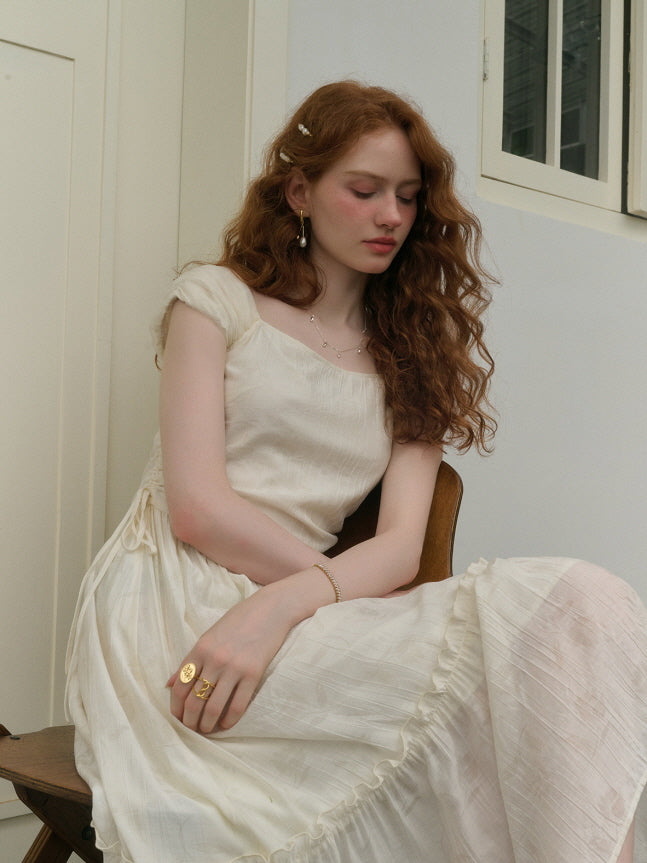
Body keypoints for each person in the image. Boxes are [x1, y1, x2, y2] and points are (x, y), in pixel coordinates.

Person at [65, 81, 647, 863]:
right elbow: (197, 507)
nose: (390, 216)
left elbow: (402, 544)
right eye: (364, 190)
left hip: (308, 605)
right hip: (178, 597)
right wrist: (304, 600)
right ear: (299, 192)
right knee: (495, 686)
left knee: (579, 606)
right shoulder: (214, 301)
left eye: (407, 196)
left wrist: (285, 607)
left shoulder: (412, 347)